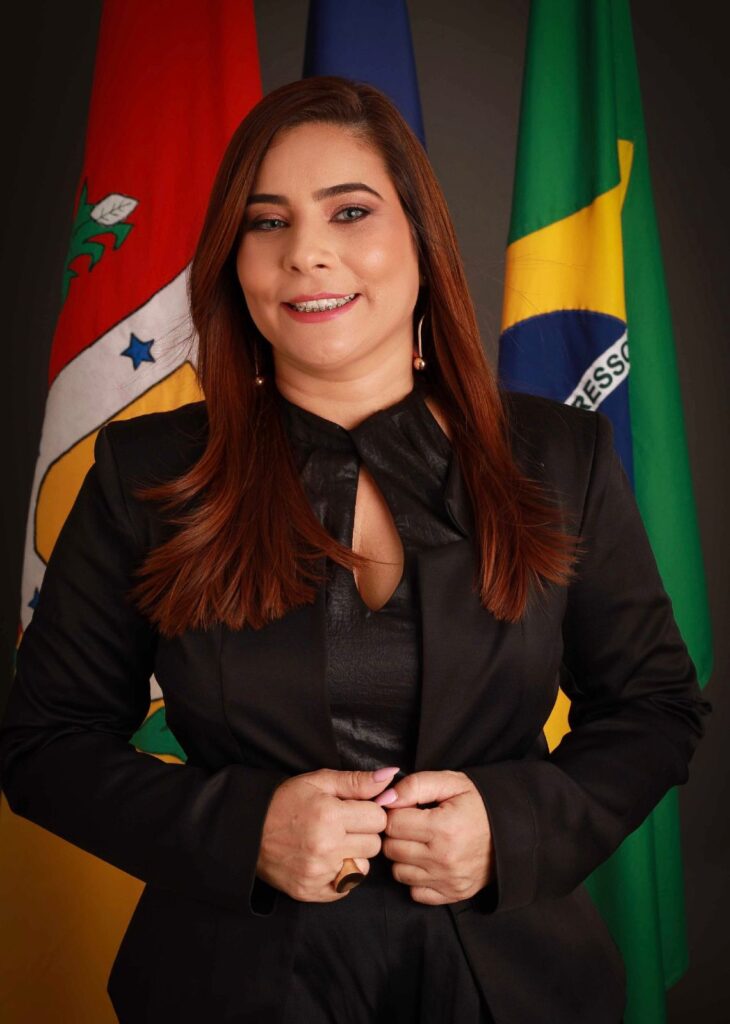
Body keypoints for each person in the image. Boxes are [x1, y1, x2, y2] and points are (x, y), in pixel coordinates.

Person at [0, 75, 712, 1024]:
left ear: (421, 239)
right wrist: (242, 832)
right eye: (268, 222)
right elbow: (45, 745)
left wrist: (514, 828)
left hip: (516, 987)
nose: (306, 252)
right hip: (232, 991)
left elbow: (656, 706)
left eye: (349, 211)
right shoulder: (148, 474)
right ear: (234, 261)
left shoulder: (557, 456)